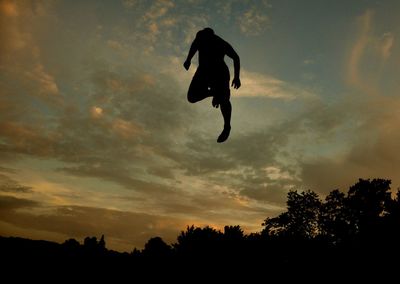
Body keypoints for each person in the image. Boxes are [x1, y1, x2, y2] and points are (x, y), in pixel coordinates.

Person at [183, 27, 241, 143]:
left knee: (224, 99)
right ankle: (215, 93)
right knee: (191, 97)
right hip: (203, 72)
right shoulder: (200, 38)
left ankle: (227, 126)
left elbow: (236, 57)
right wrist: (188, 59)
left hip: (220, 73)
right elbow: (194, 46)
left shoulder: (220, 43)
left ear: (212, 38)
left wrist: (236, 77)